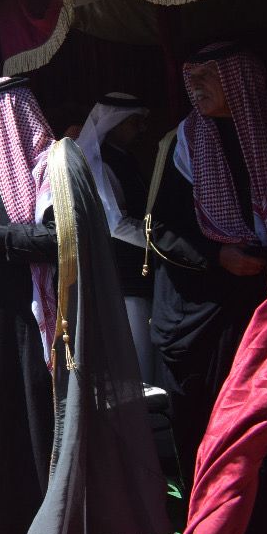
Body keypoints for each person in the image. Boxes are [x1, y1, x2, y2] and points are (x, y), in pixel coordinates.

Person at [0, 78, 167, 534]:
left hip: (22, 334)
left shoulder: (53, 168)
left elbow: (65, 239)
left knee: (19, 432)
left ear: (7, 116)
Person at [147, 44, 267, 534]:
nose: (197, 87)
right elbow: (163, 229)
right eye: (193, 77)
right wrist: (219, 257)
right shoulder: (184, 143)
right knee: (211, 422)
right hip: (207, 313)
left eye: (209, 77)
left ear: (241, 80)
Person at [75, 93, 164, 387]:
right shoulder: (101, 162)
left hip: (140, 272)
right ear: (115, 122)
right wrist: (163, 243)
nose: (141, 130)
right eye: (134, 122)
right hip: (123, 278)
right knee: (137, 365)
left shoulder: (125, 158)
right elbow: (115, 225)